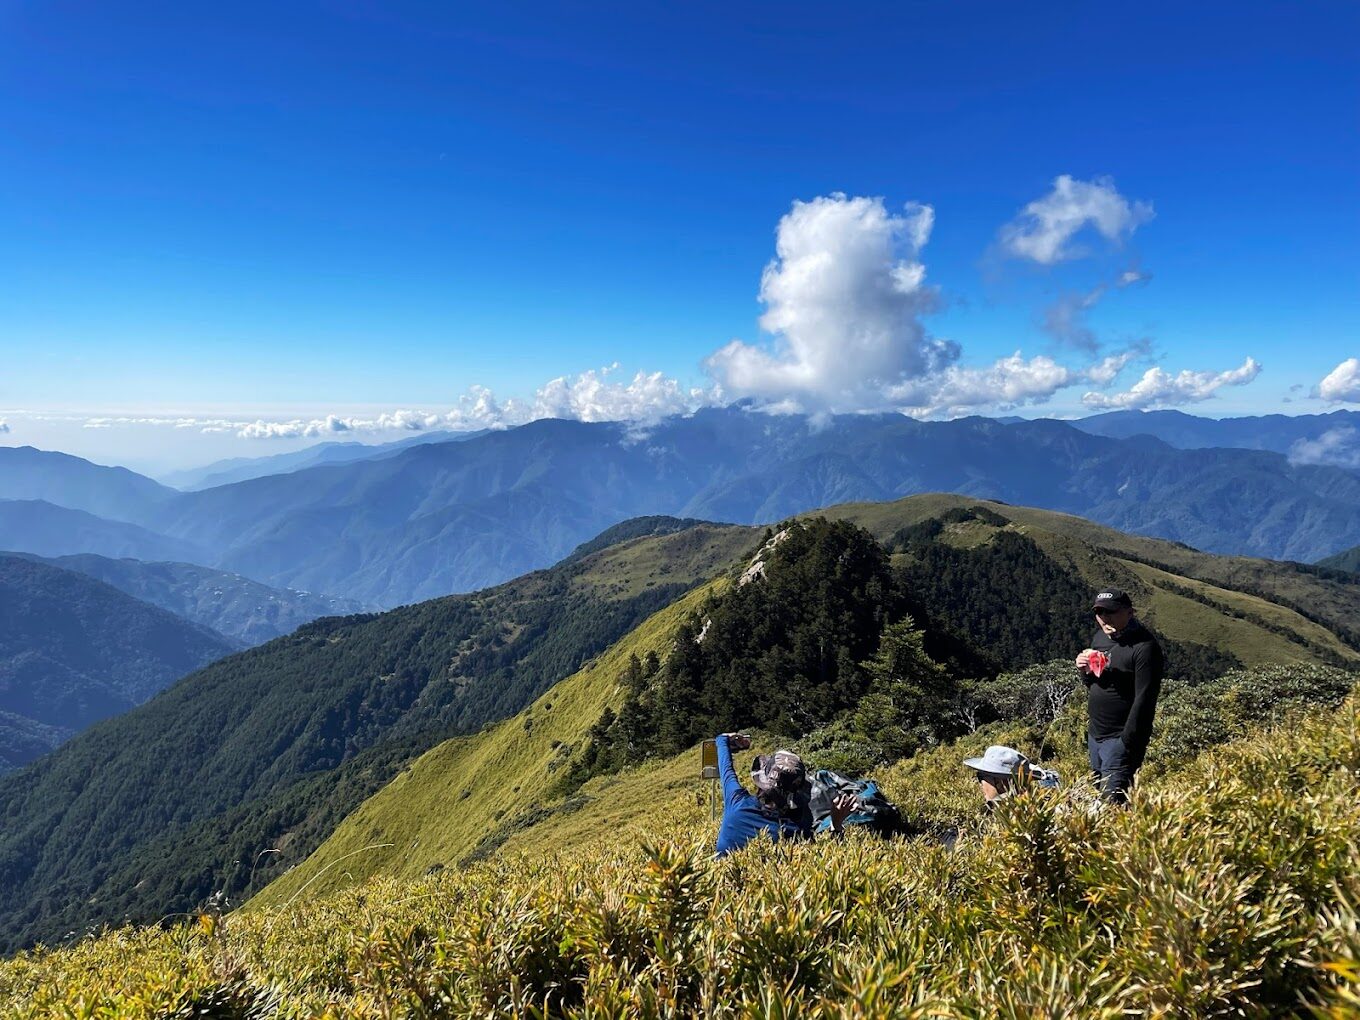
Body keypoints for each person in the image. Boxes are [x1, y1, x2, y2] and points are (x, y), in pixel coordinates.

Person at [1075, 587, 1165, 804]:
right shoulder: (1101, 638)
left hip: (1120, 739)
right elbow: (1093, 683)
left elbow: (1145, 699)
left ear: (1129, 612)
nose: (1105, 619)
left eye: (1111, 612)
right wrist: (1083, 669)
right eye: (1100, 613)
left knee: (1112, 802)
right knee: (1100, 793)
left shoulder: (1144, 648)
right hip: (1096, 735)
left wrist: (1127, 741)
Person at [714, 733, 853, 857]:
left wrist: (724, 739)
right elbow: (828, 859)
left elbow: (726, 769)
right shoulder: (796, 831)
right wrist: (836, 825)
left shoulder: (736, 801)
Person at [962, 745, 1059, 811]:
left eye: (980, 777)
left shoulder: (1009, 823)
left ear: (1000, 784)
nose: (980, 784)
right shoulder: (1038, 809)